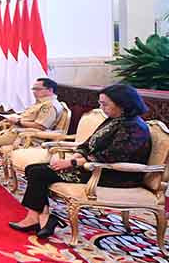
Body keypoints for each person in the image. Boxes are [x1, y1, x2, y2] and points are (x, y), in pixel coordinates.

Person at [10, 84, 152, 239]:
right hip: (94, 167)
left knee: (39, 172)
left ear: (122, 104)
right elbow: (88, 144)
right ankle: (41, 217)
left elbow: (113, 156)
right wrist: (75, 156)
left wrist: (72, 163)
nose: (101, 108)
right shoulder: (114, 120)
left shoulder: (134, 127)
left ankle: (38, 219)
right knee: (33, 169)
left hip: (114, 174)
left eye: (105, 104)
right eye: (100, 103)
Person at [0, 78, 62, 180]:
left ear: (50, 90)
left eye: (37, 89)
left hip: (26, 135)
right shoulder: (40, 103)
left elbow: (41, 126)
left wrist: (18, 122)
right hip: (15, 130)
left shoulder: (49, 106)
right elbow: (28, 117)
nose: (34, 92)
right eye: (33, 89)